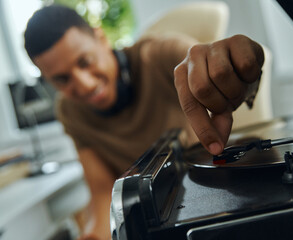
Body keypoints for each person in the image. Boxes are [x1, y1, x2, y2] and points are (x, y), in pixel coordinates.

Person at [24, 4, 264, 240]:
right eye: (62, 79)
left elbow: (205, 63)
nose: (84, 85)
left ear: (101, 38)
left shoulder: (158, 55)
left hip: (208, 198)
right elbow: (100, 190)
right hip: (148, 221)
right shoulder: (69, 111)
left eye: (85, 62)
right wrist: (94, 234)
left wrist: (230, 65)